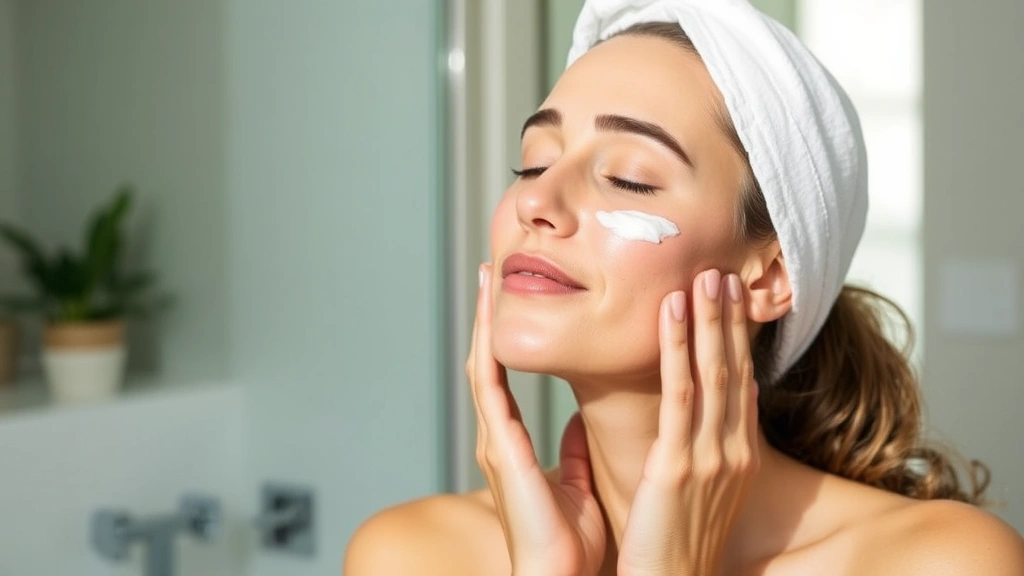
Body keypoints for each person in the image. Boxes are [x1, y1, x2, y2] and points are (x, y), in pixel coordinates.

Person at [345, 1, 1024, 574]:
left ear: (769, 277)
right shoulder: (412, 555)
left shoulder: (938, 562)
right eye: (532, 163)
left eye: (629, 177)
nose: (536, 200)